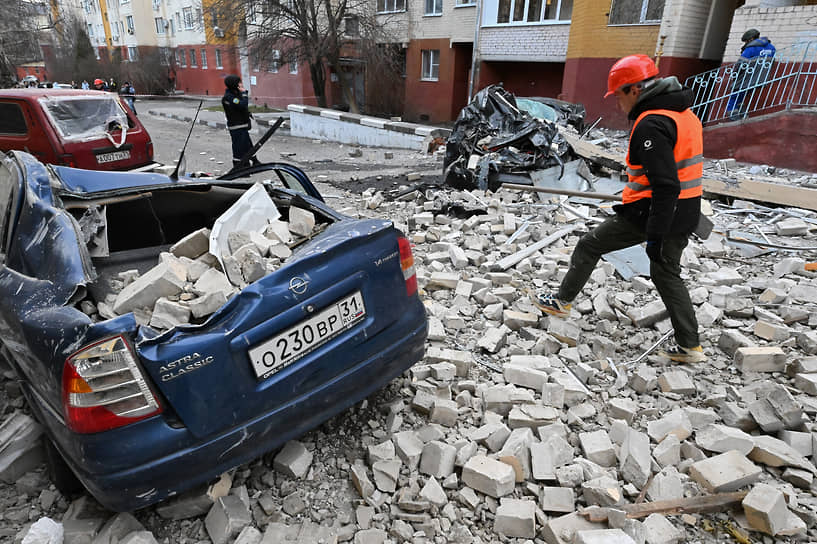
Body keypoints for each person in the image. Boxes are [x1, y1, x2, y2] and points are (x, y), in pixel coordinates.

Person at [534, 54, 707, 364]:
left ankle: (562, 302)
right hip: (686, 210)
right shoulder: (685, 115)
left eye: (618, 95)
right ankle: (689, 345)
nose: (617, 103)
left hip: (652, 211)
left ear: (634, 90)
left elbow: (665, 184)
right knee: (666, 273)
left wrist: (654, 234)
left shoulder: (652, 124)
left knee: (590, 245)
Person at [725, 29, 776, 121]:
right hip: (761, 78)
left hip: (747, 77)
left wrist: (735, 75)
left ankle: (733, 116)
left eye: (746, 41)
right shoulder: (771, 47)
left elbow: (740, 64)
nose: (746, 43)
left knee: (735, 95)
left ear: (751, 38)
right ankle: (742, 113)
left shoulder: (750, 49)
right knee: (743, 95)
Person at [221, 75, 260, 168]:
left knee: (248, 145)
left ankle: (254, 161)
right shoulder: (229, 97)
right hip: (236, 126)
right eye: (239, 82)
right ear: (234, 84)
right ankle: (239, 165)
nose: (241, 84)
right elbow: (242, 105)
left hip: (243, 125)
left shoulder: (235, 94)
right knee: (239, 147)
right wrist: (244, 94)